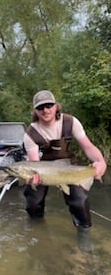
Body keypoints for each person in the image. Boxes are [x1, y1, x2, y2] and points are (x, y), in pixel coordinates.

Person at [23, 90, 107, 252]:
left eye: (49, 105)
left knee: (80, 200)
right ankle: (37, 227)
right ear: (35, 111)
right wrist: (33, 178)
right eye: (40, 107)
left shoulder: (70, 122)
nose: (45, 110)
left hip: (68, 166)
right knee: (33, 201)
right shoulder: (30, 133)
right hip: (43, 169)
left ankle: (84, 235)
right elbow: (34, 163)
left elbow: (87, 146)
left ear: (56, 106)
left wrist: (100, 161)